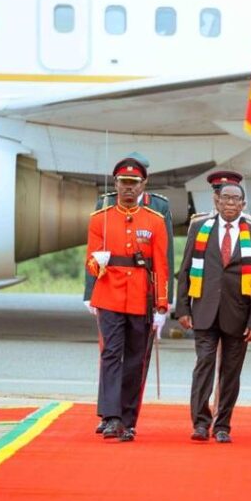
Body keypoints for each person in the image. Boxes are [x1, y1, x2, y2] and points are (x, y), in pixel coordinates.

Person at [175, 172, 251, 443]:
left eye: (236, 199)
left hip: (238, 315)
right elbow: (185, 271)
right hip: (204, 310)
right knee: (204, 364)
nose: (230, 203)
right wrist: (182, 308)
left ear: (243, 204)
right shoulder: (199, 229)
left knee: (231, 372)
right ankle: (201, 423)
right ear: (216, 201)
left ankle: (223, 425)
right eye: (225, 198)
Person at [85, 153, 174, 434]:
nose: (128, 188)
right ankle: (110, 416)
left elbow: (161, 262)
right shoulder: (100, 219)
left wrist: (162, 302)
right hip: (109, 294)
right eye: (123, 182)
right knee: (111, 354)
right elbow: (90, 261)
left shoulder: (155, 220)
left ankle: (127, 420)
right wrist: (95, 265)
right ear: (116, 184)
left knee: (136, 359)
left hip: (141, 297)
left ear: (143, 186)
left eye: (134, 183)